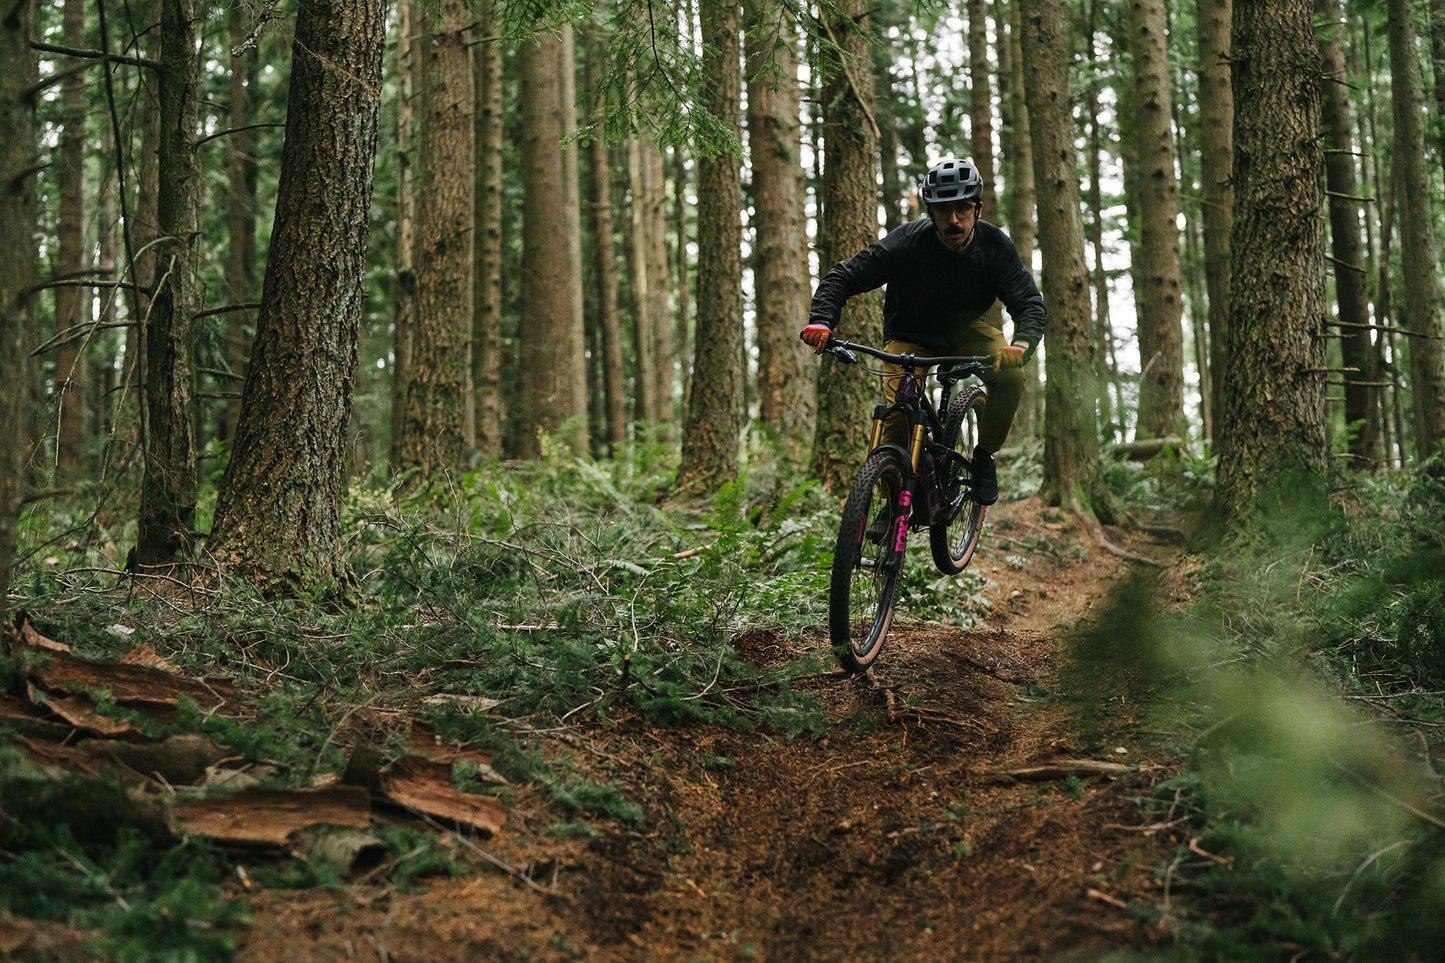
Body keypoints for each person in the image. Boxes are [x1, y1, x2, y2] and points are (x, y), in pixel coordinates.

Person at [800, 157, 1045, 505]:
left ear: (978, 207)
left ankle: (985, 455)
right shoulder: (908, 242)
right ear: (931, 213)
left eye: (963, 208)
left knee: (1011, 378)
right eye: (944, 211)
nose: (954, 220)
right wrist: (822, 320)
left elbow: (1028, 303)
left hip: (966, 331)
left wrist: (1021, 344)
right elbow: (845, 275)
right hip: (909, 335)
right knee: (898, 415)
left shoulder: (995, 247)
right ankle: (892, 501)